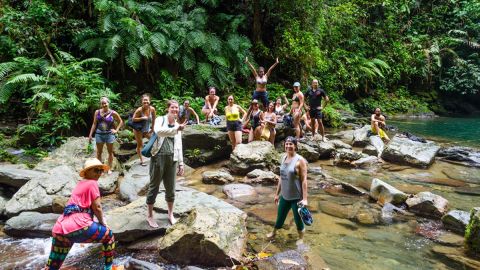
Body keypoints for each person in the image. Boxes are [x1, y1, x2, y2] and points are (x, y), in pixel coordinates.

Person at [45, 158, 115, 270]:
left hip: (60, 228)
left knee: (53, 266)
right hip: (79, 225)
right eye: (96, 170)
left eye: (101, 170)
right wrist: (103, 222)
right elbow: (97, 207)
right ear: (86, 172)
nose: (99, 173)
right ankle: (109, 268)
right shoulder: (92, 183)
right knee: (109, 236)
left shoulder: (80, 184)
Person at [146, 100, 185, 228]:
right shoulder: (160, 120)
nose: (175, 110)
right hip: (158, 157)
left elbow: (179, 145)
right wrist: (176, 129)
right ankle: (150, 216)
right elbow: (158, 132)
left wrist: (181, 163)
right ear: (168, 108)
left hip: (172, 159)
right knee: (154, 187)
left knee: (171, 188)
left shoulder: (177, 124)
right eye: (173, 107)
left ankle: (170, 214)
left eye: (177, 108)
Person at [267, 136, 308, 245]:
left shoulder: (300, 161)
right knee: (280, 216)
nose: (288, 146)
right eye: (287, 144)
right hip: (284, 195)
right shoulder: (283, 158)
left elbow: (304, 180)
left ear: (295, 146)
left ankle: (301, 238)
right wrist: (277, 194)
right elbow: (281, 177)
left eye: (291, 144)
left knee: (298, 220)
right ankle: (274, 232)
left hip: (296, 197)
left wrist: (304, 199)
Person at [88, 97, 123, 174]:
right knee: (99, 153)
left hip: (109, 134)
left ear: (108, 103)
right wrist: (90, 135)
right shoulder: (97, 112)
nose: (104, 105)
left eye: (105, 103)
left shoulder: (113, 113)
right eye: (102, 103)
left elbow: (121, 121)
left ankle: (109, 168)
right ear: (100, 104)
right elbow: (94, 124)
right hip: (99, 134)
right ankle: (99, 168)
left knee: (110, 152)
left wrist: (116, 130)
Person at [132, 94, 156, 166]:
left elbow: (154, 119)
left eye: (147, 101)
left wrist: (153, 128)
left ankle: (153, 155)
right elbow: (133, 119)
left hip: (147, 129)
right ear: (141, 102)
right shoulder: (139, 110)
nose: (146, 103)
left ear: (149, 101)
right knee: (140, 144)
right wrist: (142, 118)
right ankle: (142, 160)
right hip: (138, 130)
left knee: (154, 141)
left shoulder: (152, 109)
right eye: (144, 101)